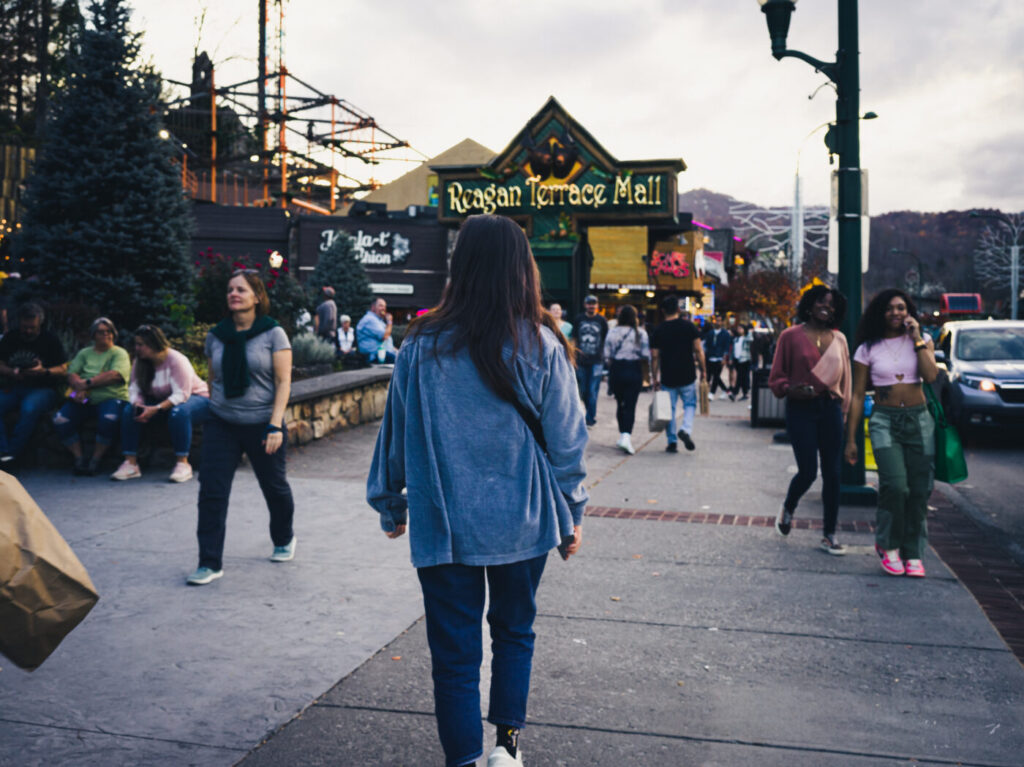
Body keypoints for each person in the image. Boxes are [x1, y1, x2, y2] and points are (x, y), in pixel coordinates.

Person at [368, 214, 587, 767]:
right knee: (515, 632)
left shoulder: (421, 345)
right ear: (523, 270)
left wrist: (391, 500)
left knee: (455, 656)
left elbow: (398, 427)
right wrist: (572, 513)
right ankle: (506, 749)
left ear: (459, 266)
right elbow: (567, 440)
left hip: (446, 522)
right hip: (525, 515)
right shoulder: (541, 343)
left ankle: (464, 760)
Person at [188, 270, 295, 586]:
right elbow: (212, 378)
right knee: (212, 491)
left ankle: (284, 537)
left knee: (273, 487)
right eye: (230, 289)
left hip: (263, 423)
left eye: (241, 289)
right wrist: (216, 407)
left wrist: (275, 425)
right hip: (222, 422)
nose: (233, 294)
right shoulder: (216, 335)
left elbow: (283, 381)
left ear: (257, 297)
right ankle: (209, 562)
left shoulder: (273, 333)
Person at [845, 289, 938, 577]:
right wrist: (851, 438)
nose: (895, 313)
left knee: (920, 491)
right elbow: (858, 395)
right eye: (889, 309)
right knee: (896, 487)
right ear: (880, 313)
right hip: (885, 420)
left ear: (908, 311)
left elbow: (931, 376)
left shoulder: (921, 342)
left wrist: (918, 338)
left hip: (919, 421)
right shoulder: (867, 348)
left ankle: (913, 552)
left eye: (901, 308)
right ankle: (888, 545)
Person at [769, 285, 852, 554]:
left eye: (831, 303)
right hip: (800, 409)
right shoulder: (790, 336)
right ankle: (789, 506)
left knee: (833, 473)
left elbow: (846, 381)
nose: (826, 307)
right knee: (807, 471)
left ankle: (830, 534)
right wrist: (789, 389)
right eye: (821, 302)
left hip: (830, 408)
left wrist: (845, 413)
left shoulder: (840, 340)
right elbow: (777, 377)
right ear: (809, 304)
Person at [112, 325, 210, 483]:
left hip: (196, 397)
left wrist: (156, 409)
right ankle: (130, 463)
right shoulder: (141, 362)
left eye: (141, 344)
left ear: (154, 343)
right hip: (162, 400)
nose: (137, 348)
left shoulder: (176, 360)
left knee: (179, 412)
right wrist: (139, 406)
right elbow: (134, 388)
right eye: (136, 344)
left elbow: (182, 394)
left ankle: (183, 464)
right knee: (130, 410)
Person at [53, 317, 130, 475]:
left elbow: (115, 375)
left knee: (109, 419)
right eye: (101, 332)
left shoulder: (119, 353)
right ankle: (79, 458)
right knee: (60, 419)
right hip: (84, 398)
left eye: (109, 331)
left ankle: (96, 459)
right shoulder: (85, 353)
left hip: (110, 397)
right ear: (93, 335)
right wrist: (78, 385)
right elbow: (72, 372)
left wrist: (87, 383)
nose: (106, 335)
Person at [0, 302, 68, 467]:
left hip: (43, 389)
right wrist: (10, 372)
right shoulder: (11, 338)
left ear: (40, 324)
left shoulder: (50, 340)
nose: (28, 331)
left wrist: (44, 371)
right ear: (19, 322)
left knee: (29, 408)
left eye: (33, 327)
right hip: (15, 387)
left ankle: (11, 455)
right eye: (25, 327)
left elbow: (64, 368)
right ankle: (3, 451)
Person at [651, 295, 706, 453]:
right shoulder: (689, 327)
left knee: (670, 409)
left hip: (668, 376)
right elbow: (698, 350)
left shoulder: (659, 330)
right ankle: (686, 429)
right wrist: (704, 370)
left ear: (662, 311)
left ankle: (672, 441)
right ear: (678, 309)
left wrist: (655, 377)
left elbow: (655, 356)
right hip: (687, 374)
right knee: (690, 404)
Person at [604, 304, 651, 456]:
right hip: (634, 369)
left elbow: (607, 355)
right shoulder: (641, 333)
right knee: (631, 405)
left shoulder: (612, 332)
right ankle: (626, 436)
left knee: (620, 402)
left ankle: (622, 435)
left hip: (617, 369)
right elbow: (646, 356)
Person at [572, 295, 608, 427]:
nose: (591, 306)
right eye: (589, 303)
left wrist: (605, 357)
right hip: (581, 360)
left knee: (592, 391)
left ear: (597, 305)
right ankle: (586, 414)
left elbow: (605, 340)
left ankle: (590, 418)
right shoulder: (579, 319)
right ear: (584, 304)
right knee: (583, 390)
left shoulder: (602, 321)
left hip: (597, 361)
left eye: (593, 304)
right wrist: (573, 355)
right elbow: (574, 339)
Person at [357, 297, 396, 364]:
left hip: (384, 353)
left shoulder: (379, 320)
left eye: (384, 306)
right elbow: (384, 336)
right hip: (375, 356)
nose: (384, 308)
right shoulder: (370, 319)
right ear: (373, 307)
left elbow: (386, 342)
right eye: (381, 305)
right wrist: (389, 322)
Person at [703, 316, 731, 400]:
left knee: (716, 376)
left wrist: (724, 358)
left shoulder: (725, 334)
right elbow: (706, 345)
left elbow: (726, 347)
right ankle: (726, 390)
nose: (717, 322)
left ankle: (712, 393)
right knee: (710, 375)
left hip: (719, 357)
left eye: (719, 321)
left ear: (722, 322)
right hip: (710, 357)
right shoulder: (710, 333)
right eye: (716, 321)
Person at [728, 324, 752, 401]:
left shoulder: (746, 338)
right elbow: (733, 350)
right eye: (738, 328)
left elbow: (751, 339)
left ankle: (735, 393)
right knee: (742, 377)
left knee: (740, 377)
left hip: (745, 360)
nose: (739, 330)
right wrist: (731, 358)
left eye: (741, 328)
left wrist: (750, 332)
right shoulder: (736, 339)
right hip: (737, 360)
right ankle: (745, 394)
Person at [313, 286, 338, 352]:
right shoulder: (330, 303)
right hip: (327, 333)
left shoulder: (328, 304)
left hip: (326, 334)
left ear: (326, 295)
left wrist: (322, 331)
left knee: (325, 352)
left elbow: (329, 319)